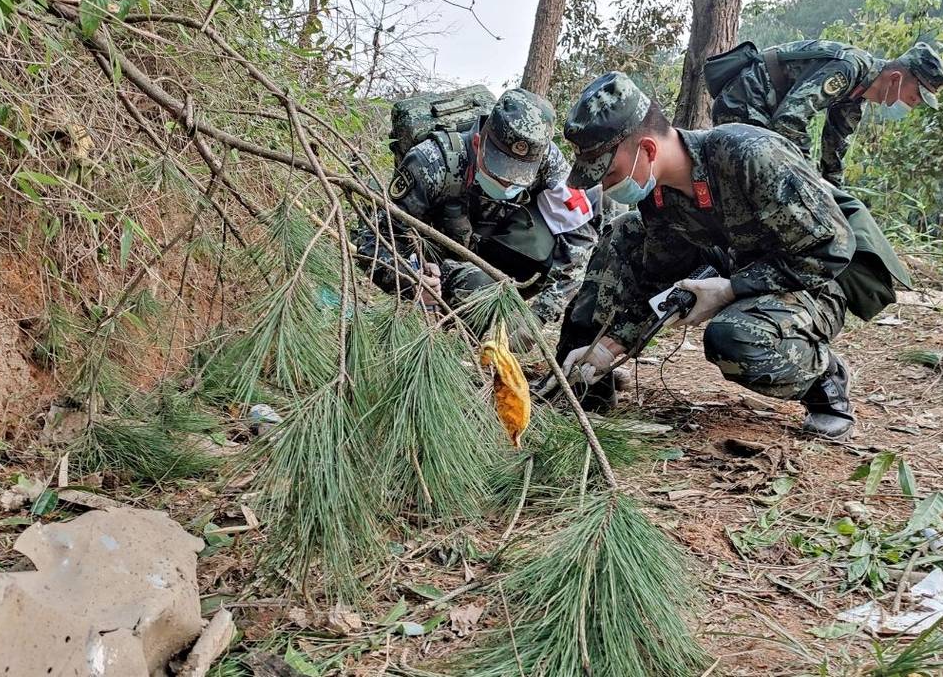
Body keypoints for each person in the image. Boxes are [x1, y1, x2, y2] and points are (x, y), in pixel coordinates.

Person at [555, 72, 909, 441]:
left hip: (817, 280)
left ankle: (825, 380)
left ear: (647, 150)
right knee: (625, 230)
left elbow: (830, 249)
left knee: (734, 338)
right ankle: (582, 376)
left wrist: (730, 289)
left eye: (609, 173)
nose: (607, 186)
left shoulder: (749, 154)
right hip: (740, 267)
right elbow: (658, 278)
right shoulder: (658, 198)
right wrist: (610, 347)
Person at [356, 88, 597, 346]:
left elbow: (580, 241)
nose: (506, 183)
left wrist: (537, 318)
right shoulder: (431, 162)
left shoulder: (549, 162)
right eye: (499, 172)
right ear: (477, 143)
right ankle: (447, 344)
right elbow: (372, 243)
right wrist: (412, 281)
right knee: (478, 286)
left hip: (498, 251)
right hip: (439, 264)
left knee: (584, 245)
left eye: (518, 178)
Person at [706, 40, 943, 186]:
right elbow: (789, 121)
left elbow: (834, 151)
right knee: (756, 184)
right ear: (896, 78)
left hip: (765, 112)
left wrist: (836, 197)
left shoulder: (857, 96)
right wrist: (810, 179)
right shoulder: (849, 68)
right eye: (914, 96)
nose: (913, 104)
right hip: (745, 101)